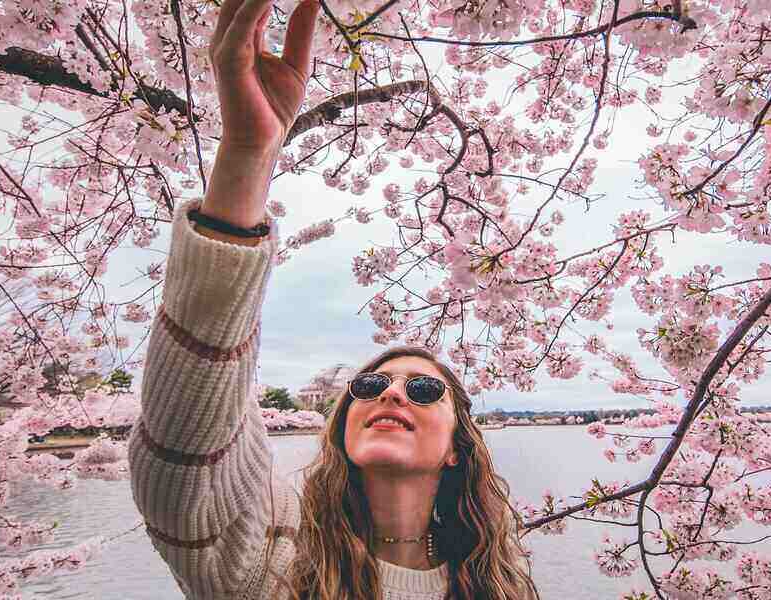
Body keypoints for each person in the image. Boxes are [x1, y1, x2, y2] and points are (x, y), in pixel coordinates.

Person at [125, 0, 541, 597]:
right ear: (342, 420)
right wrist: (246, 154)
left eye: (422, 389)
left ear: (458, 447)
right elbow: (185, 446)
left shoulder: (500, 583)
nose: (390, 391)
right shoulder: (264, 556)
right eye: (368, 387)